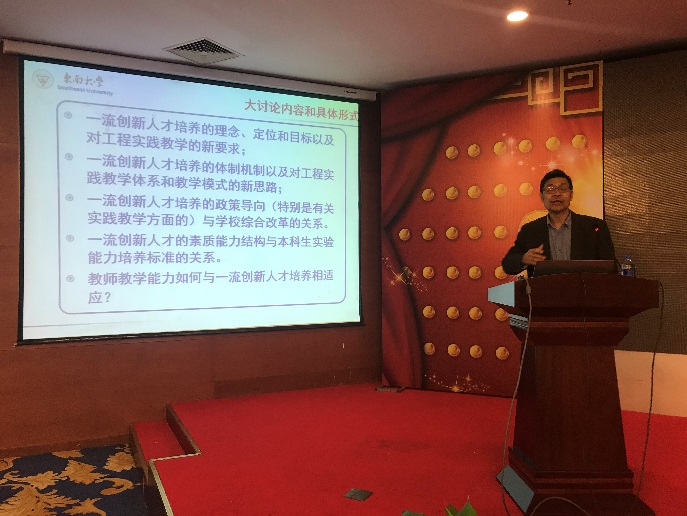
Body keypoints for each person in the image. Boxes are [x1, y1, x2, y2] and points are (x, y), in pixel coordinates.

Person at [501, 169, 616, 276]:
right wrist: (523, 259)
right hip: (545, 291)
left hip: (585, 290)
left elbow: (611, 267)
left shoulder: (594, 227)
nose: (557, 193)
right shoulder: (530, 230)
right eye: (550, 189)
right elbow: (508, 264)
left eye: (563, 188)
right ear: (541, 197)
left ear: (571, 195)